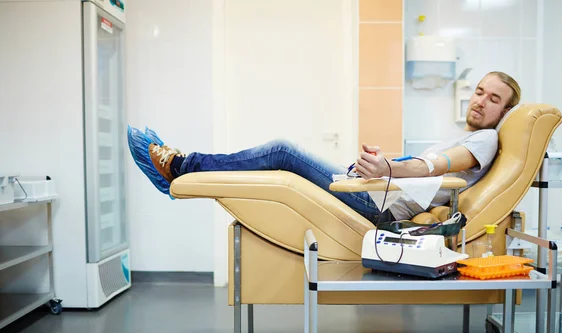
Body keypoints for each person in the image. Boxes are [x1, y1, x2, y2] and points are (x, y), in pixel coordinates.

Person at [128, 71, 521, 224]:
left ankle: (182, 166)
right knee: (281, 162)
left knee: (282, 152)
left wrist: (388, 169)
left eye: (493, 99)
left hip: (377, 210)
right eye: (480, 92)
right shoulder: (466, 132)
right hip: (374, 195)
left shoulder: (485, 139)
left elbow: (433, 167)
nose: (481, 101)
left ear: (505, 111)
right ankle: (181, 172)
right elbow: (423, 165)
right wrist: (378, 165)